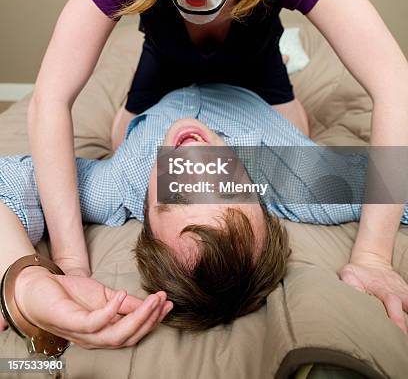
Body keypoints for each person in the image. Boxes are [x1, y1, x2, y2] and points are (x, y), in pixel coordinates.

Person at [28, 0, 408, 325]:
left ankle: (289, 55)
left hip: (260, 88)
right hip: (158, 85)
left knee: (288, 120)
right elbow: (51, 98)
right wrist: (71, 264)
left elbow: (394, 77)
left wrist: (373, 254)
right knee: (122, 131)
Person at [2, 84, 408, 345]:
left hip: (160, 89)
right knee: (292, 114)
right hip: (252, 84)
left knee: (123, 125)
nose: (194, 155)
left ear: (144, 214)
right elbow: (395, 175)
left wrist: (26, 279)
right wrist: (374, 257)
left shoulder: (119, 186)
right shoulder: (293, 178)